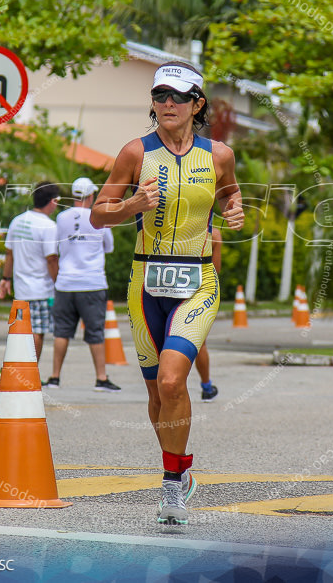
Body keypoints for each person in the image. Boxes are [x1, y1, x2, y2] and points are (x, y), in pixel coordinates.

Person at [91, 61, 244, 525]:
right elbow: (99, 214)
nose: (168, 104)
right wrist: (131, 206)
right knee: (157, 393)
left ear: (198, 104)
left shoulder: (219, 155)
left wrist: (234, 211)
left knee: (175, 381)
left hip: (197, 280)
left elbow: (230, 193)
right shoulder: (135, 152)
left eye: (178, 97)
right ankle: (179, 472)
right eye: (160, 96)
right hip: (145, 283)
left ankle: (171, 488)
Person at [45, 177, 120, 392]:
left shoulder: (61, 217)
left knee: (62, 333)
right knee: (95, 332)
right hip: (92, 282)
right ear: (90, 196)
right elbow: (109, 247)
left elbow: (56, 247)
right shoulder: (100, 216)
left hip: (65, 284)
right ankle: (101, 378)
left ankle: (54, 378)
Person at [0, 182, 59, 363]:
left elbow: (9, 253)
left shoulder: (17, 220)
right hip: (40, 289)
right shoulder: (49, 226)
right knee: (37, 331)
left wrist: (5, 278)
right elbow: (51, 259)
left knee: (19, 333)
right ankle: (29, 370)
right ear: (52, 201)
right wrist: (59, 284)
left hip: (21, 290)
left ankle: (14, 368)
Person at [194, 227, 222, 401]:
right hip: (196, 291)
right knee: (199, 344)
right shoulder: (214, 234)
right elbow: (215, 272)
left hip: (161, 287)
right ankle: (206, 386)